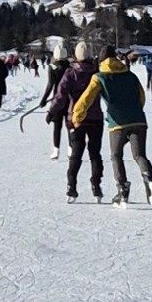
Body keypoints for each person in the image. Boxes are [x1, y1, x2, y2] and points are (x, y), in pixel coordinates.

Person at [71, 44, 152, 206]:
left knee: (116, 156)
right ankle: (148, 177)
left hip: (117, 123)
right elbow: (141, 96)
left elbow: (86, 99)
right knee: (139, 155)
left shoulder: (99, 76)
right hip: (138, 120)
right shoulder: (130, 75)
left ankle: (122, 189)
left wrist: (77, 115)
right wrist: (135, 111)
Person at [48, 41, 104, 202]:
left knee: (76, 154)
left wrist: (52, 111)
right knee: (95, 154)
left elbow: (60, 95)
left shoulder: (70, 73)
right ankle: (96, 186)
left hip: (76, 119)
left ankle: (71, 187)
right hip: (95, 118)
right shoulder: (97, 71)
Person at [40, 46, 71, 158]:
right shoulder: (70, 67)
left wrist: (43, 99)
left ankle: (56, 150)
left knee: (57, 126)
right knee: (69, 125)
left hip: (57, 100)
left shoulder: (52, 67)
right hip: (69, 99)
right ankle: (70, 149)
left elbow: (50, 85)